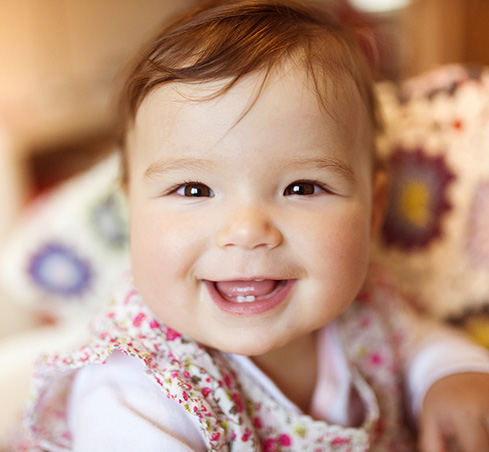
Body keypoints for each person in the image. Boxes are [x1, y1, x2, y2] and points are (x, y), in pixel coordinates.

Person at [17, 1, 489, 451]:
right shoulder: (136, 387)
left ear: (373, 212)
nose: (246, 230)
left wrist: (452, 376)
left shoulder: (365, 308)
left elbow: (420, 341)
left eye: (302, 188)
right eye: (194, 190)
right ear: (129, 212)